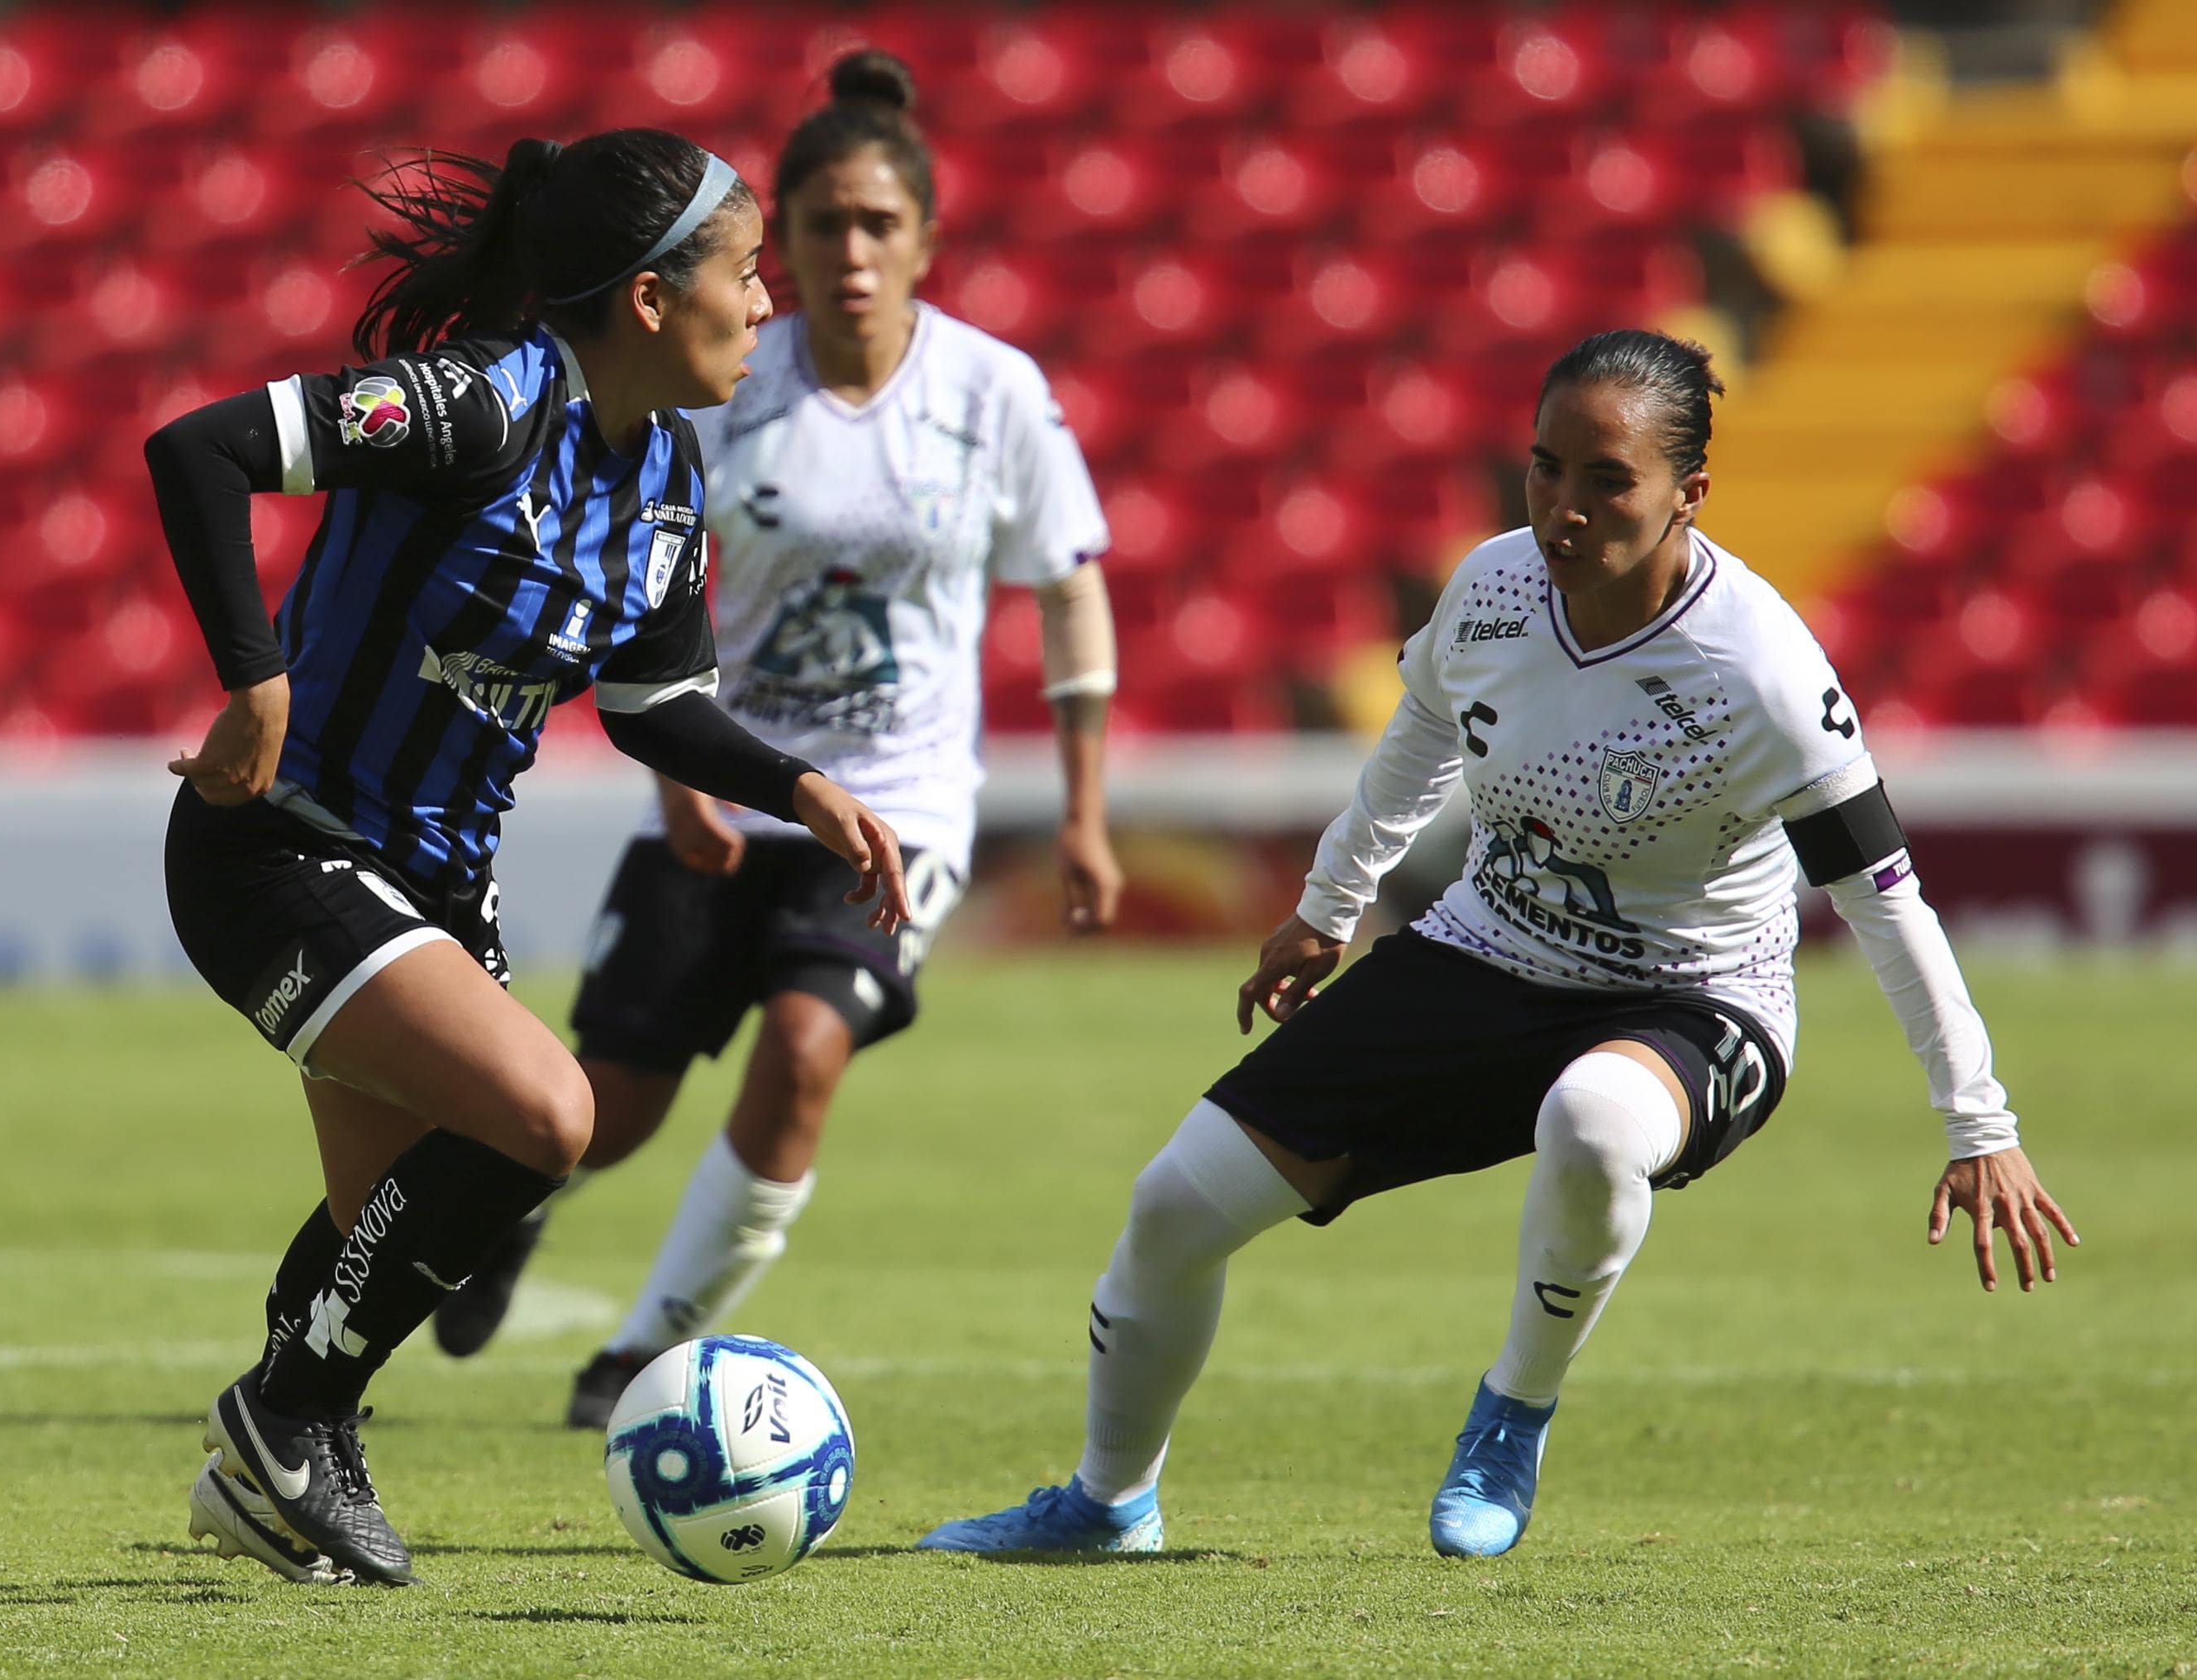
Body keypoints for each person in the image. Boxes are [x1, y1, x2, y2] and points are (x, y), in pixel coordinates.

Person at [916, 329, 2078, 1559]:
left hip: (1691, 994)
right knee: (1170, 1209)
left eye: (1605, 479)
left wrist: (1979, 1121)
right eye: (1543, 468)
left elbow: (1884, 898)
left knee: (1591, 1120)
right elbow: (1419, 734)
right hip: (1486, 948)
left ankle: (1509, 1416)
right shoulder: (1491, 586)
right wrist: (1327, 905)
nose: (1564, 509)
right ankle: (1107, 1504)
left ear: (1689, 493)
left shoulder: (1763, 674)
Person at [145, 127, 913, 1587]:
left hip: (433, 884)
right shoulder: (474, 408)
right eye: (746, 275)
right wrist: (254, 682)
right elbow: (202, 448)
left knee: (393, 1226)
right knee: (545, 1121)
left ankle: (287, 1449)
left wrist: (795, 782)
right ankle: (285, 1415)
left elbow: (656, 707)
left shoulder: (669, 481)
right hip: (280, 850)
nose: (771, 306)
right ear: (645, 298)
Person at [427, 50, 1124, 1431]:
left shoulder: (993, 394)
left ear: (925, 238)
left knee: (805, 1052)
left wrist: (1086, 812)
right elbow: (651, 579)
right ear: (784, 243)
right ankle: (502, 1213)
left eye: (878, 224)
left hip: (898, 808)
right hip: (721, 789)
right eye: (821, 225)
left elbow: (1068, 581)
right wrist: (678, 775)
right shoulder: (731, 382)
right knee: (603, 1106)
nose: (849, 250)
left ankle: (639, 1350)